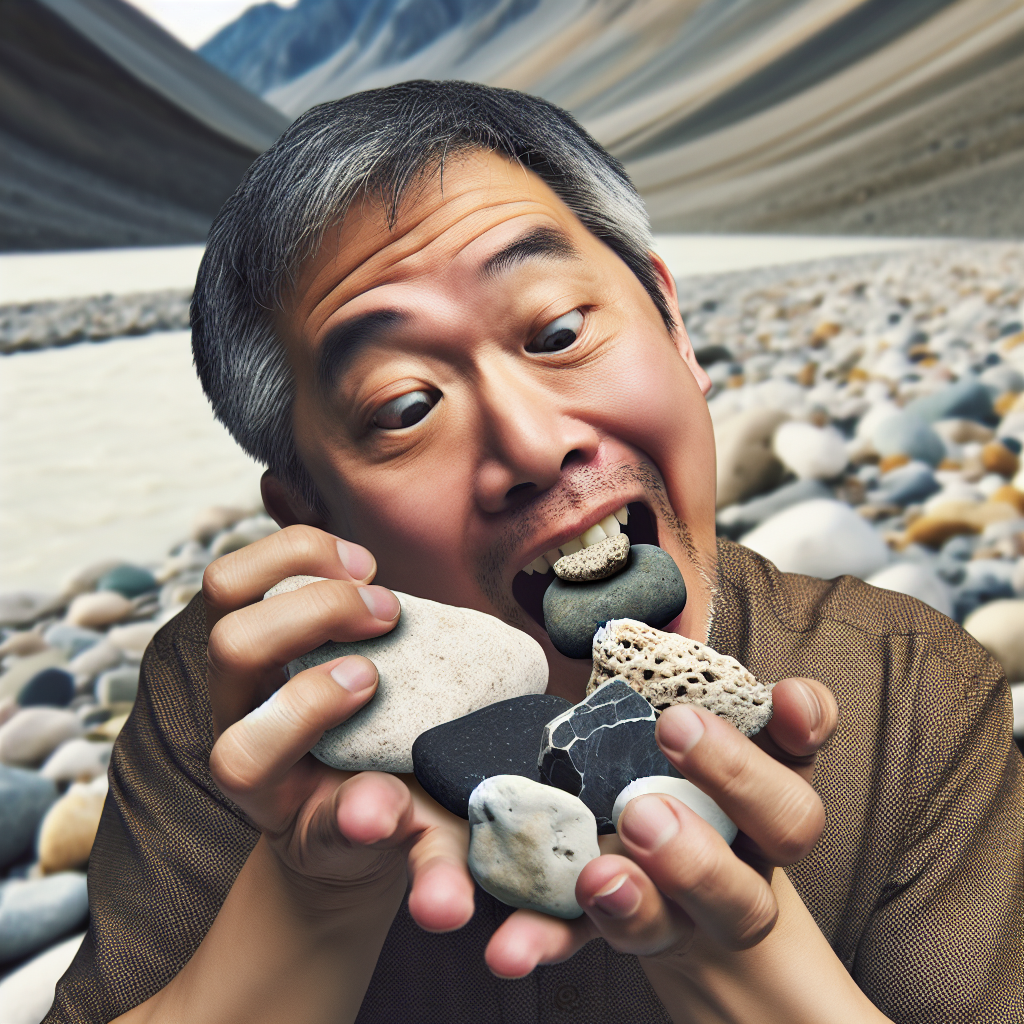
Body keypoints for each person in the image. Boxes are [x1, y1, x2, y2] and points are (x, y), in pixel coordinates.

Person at [47, 81, 1021, 1024]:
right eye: (405, 408)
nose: (530, 442)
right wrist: (312, 894)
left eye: (557, 331)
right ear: (310, 512)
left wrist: (735, 954)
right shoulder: (237, 707)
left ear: (674, 327)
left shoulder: (907, 686)